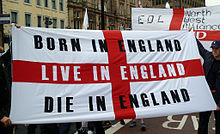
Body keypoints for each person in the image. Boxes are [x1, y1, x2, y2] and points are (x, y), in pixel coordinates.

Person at [196, 39, 220, 134]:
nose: (214, 51)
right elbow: (200, 48)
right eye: (213, 48)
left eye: (217, 49)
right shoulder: (208, 56)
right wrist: (192, 35)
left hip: (218, 96)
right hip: (206, 95)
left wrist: (219, 103)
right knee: (203, 121)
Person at [0, 46, 13, 134]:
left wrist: (18, 35)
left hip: (6, 114)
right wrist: (0, 116)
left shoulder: (1, 60)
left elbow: (10, 53)